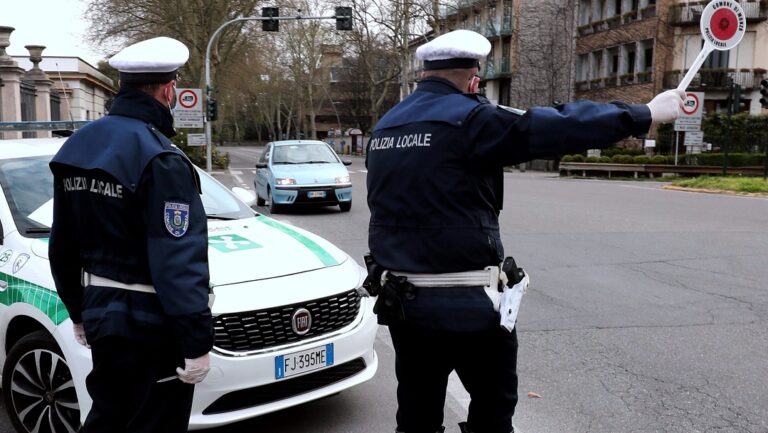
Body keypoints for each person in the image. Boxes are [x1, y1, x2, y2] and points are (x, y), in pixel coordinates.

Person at [364, 29, 684, 433]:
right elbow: (552, 126)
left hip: (404, 308)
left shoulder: (386, 127)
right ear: (473, 77)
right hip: (468, 309)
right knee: (493, 412)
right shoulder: (470, 118)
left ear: (425, 73)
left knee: (416, 415)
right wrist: (645, 114)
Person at [48, 36, 213, 433]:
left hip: (102, 315)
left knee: (109, 416)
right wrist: (196, 342)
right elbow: (177, 260)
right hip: (153, 329)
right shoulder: (161, 158)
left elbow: (62, 245)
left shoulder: (77, 146)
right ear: (168, 89)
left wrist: (77, 311)